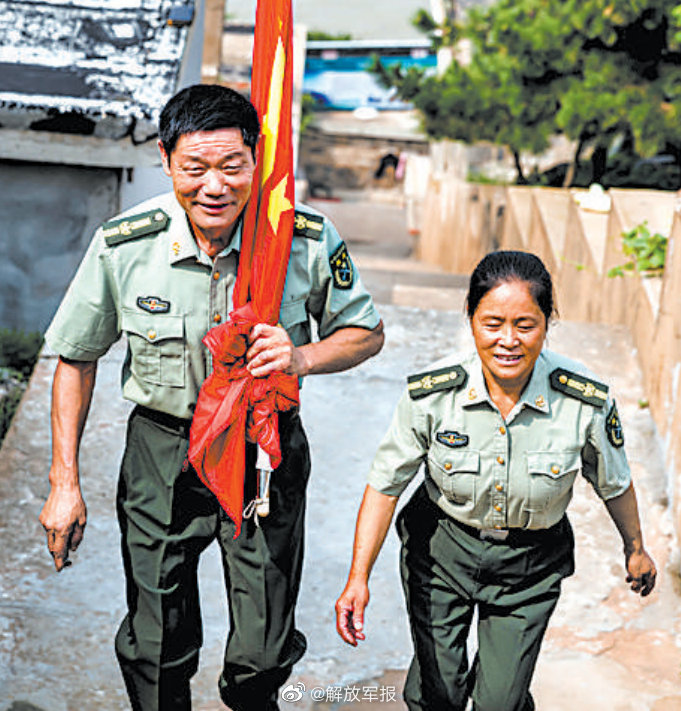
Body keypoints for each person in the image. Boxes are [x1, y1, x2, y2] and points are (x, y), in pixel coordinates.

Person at [39, 83, 384, 711]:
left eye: (232, 166)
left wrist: (301, 356)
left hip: (263, 449)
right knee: (155, 642)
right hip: (162, 451)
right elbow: (76, 357)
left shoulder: (300, 238)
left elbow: (366, 332)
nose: (215, 186)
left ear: (257, 160)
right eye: (195, 168)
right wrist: (65, 483)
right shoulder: (126, 244)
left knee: (263, 651)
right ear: (167, 161)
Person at [335, 250, 655, 711]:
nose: (508, 341)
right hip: (441, 552)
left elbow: (614, 481)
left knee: (500, 703)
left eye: (525, 325)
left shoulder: (583, 400)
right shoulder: (433, 394)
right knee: (437, 694)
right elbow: (385, 485)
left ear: (548, 322)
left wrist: (635, 548)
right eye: (492, 323)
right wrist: (358, 578)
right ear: (470, 317)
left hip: (530, 567)